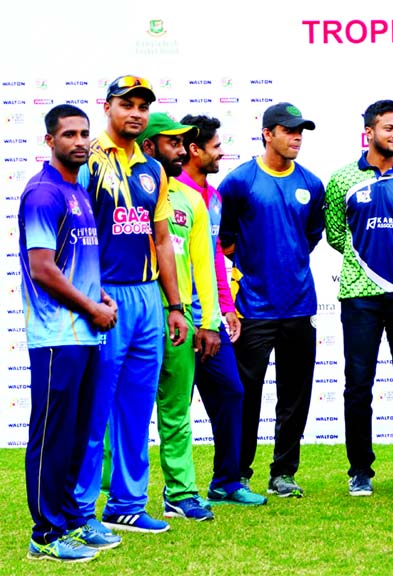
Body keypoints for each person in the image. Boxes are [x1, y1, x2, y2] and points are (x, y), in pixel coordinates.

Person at [73, 76, 187, 535]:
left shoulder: (153, 169)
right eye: (127, 104)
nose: (136, 113)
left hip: (147, 297)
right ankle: (80, 509)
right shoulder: (87, 160)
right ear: (107, 107)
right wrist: (86, 291)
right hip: (104, 295)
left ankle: (127, 503)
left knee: (138, 408)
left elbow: (162, 238)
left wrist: (175, 305)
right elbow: (72, 229)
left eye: (143, 106)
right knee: (94, 408)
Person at [19, 105, 119, 562]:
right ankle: (45, 535)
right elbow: (43, 269)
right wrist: (91, 309)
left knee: (78, 434)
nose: (80, 142)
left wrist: (103, 300)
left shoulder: (76, 189)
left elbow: (80, 264)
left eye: (84, 134)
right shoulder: (43, 192)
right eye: (69, 135)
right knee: (52, 434)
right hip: (57, 334)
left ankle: (72, 520)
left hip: (84, 331)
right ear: (50, 141)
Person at [219, 103, 325, 497]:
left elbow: (311, 236)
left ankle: (283, 473)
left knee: (295, 397)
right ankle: (239, 471)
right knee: (245, 395)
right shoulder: (239, 182)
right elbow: (224, 239)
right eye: (289, 130)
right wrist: (250, 271)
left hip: (299, 304)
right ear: (268, 134)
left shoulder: (311, 184)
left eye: (302, 131)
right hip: (253, 308)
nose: (297, 137)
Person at [325, 99, 393, 496]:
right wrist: (362, 261)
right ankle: (360, 470)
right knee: (358, 385)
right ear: (369, 132)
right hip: (359, 294)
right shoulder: (342, 179)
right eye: (389, 128)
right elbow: (335, 233)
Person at [177, 114, 267, 507]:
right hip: (177, 322)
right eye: (215, 147)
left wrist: (226, 307)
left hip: (211, 320)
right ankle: (169, 491)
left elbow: (214, 255)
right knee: (173, 409)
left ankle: (226, 482)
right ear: (194, 150)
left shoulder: (212, 197)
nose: (221, 153)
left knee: (232, 393)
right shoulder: (170, 192)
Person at [137, 113, 222, 521]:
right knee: (121, 410)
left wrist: (210, 321)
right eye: (173, 143)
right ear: (150, 145)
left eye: (185, 143)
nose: (182, 151)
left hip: (180, 315)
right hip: (132, 307)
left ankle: (182, 492)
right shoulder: (126, 193)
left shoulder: (191, 200)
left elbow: (205, 264)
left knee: (175, 410)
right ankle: (110, 494)